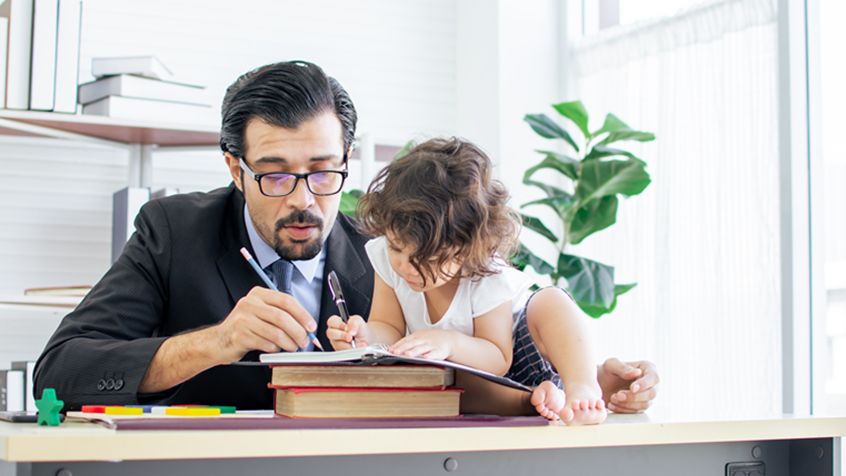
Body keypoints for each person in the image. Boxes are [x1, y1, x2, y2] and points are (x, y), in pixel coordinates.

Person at [33, 60, 658, 415]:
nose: (305, 199)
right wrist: (214, 343)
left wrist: (578, 379)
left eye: (325, 172)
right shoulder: (172, 232)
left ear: (349, 161)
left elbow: (484, 342)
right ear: (234, 168)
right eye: (276, 174)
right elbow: (60, 370)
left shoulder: (397, 238)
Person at [326, 137, 605, 424]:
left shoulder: (485, 273)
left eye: (429, 259)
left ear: (467, 248)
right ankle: (533, 399)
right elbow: (389, 328)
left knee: (550, 301)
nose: (406, 266)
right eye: (396, 247)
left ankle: (582, 384)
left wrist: (449, 343)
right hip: (484, 387)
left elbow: (498, 358)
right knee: (445, 383)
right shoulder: (388, 261)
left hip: (523, 350)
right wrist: (366, 337)